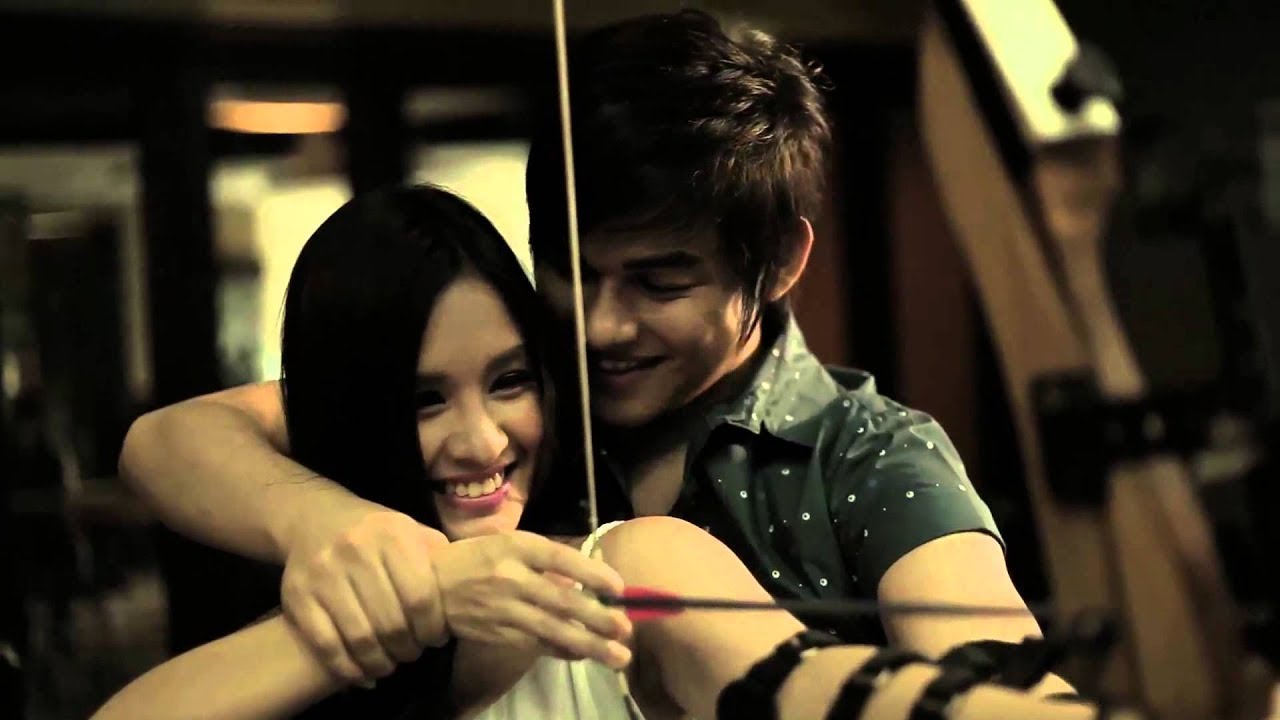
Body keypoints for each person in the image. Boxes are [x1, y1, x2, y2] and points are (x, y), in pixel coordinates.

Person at [118, 9, 1066, 695]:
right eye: (571, 270)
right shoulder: (512, 399)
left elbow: (997, 668)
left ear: (779, 262)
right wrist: (331, 528)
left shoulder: (869, 450)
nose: (602, 327)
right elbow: (171, 442)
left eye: (659, 283)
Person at [96, 184, 1101, 720]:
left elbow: (803, 685)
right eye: (423, 399)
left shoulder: (625, 567)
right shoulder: (317, 630)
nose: (482, 441)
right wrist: (411, 587)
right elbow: (165, 440)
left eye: (509, 381)